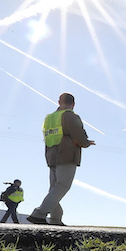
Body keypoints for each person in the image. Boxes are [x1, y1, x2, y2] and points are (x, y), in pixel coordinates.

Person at [28, 93, 94, 225]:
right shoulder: (70, 116)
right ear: (73, 104)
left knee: (54, 187)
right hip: (67, 155)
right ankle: (39, 213)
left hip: (51, 155)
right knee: (63, 185)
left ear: (59, 102)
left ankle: (55, 218)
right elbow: (79, 135)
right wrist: (86, 143)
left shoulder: (50, 118)